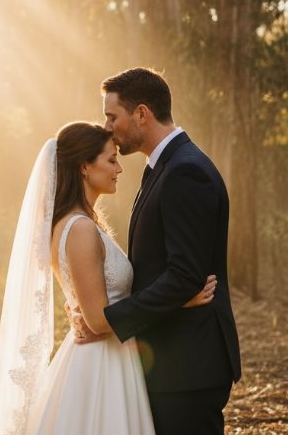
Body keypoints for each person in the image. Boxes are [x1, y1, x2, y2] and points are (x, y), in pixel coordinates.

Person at [0, 122, 216, 435]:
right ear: (84, 167)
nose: (119, 168)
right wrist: (178, 302)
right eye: (111, 160)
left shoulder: (81, 224)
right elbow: (98, 322)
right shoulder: (80, 230)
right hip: (100, 365)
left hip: (112, 357)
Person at [76, 67, 242, 435]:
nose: (107, 128)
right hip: (171, 362)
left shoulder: (185, 172)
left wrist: (109, 322)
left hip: (188, 366)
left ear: (141, 114)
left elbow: (185, 275)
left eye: (112, 116)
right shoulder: (164, 167)